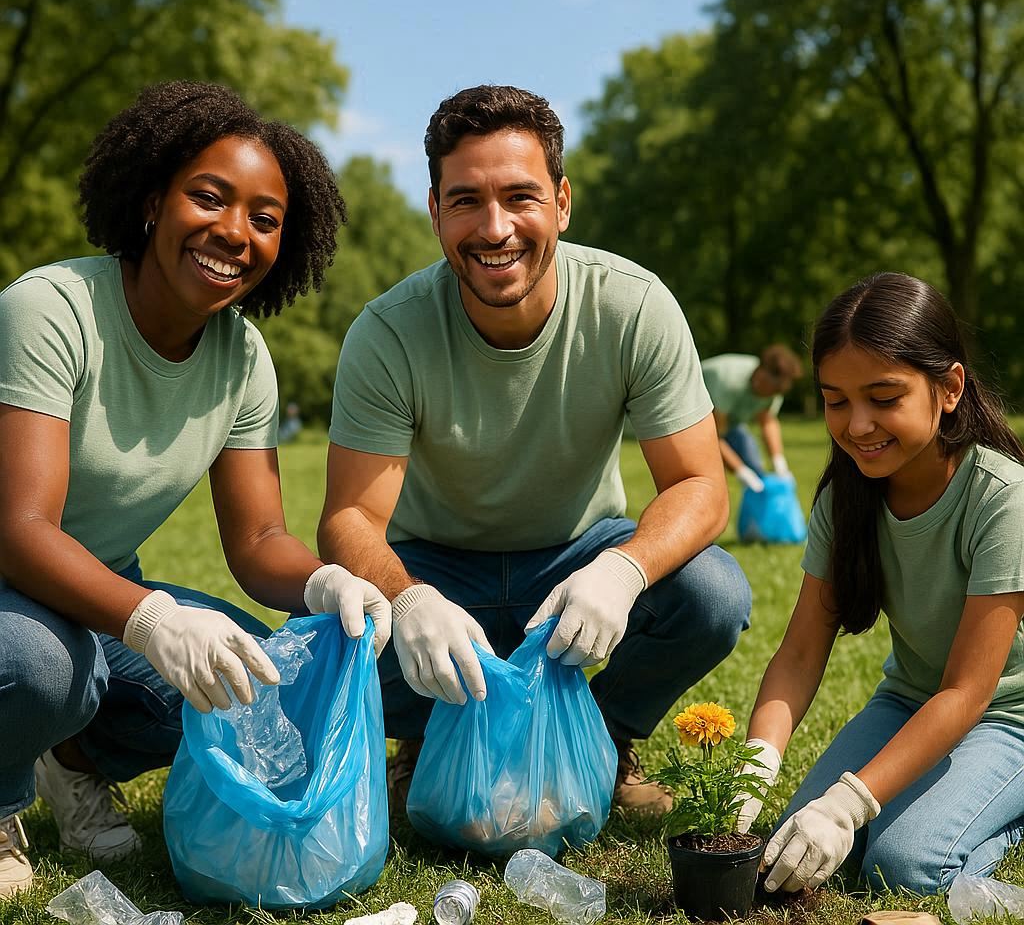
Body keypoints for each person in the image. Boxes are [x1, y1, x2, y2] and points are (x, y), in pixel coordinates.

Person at [0, 81, 391, 898]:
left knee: (254, 686)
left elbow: (255, 542)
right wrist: (149, 620)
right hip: (20, 589)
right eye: (208, 198)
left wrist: (328, 582)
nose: (232, 233)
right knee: (41, 666)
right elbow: (21, 529)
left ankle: (67, 759)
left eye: (264, 218)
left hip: (86, 595)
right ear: (152, 200)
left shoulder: (242, 359)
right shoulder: (51, 309)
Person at [318, 84, 751, 817]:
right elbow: (349, 518)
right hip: (435, 565)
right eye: (465, 201)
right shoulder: (388, 332)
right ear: (434, 211)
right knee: (337, 629)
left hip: (578, 554)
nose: (495, 229)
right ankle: (427, 738)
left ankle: (603, 741)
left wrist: (621, 569)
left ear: (562, 202)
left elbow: (701, 487)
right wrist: (410, 598)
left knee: (713, 595)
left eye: (520, 196)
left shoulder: (632, 304)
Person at [736, 272, 1024, 895]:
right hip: (909, 702)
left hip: (1008, 718)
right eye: (836, 400)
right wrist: (754, 769)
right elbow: (802, 652)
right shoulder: (845, 501)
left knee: (904, 867)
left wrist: (851, 803)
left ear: (949, 388)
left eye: (883, 396)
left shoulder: (1002, 499)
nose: (858, 425)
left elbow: (970, 693)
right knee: (793, 842)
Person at [701, 346, 803, 493]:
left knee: (757, 472)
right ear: (760, 375)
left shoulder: (774, 390)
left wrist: (779, 462)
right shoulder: (729, 380)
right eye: (772, 390)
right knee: (709, 479)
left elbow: (767, 421)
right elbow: (716, 438)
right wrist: (740, 471)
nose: (772, 396)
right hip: (697, 422)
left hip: (729, 423)